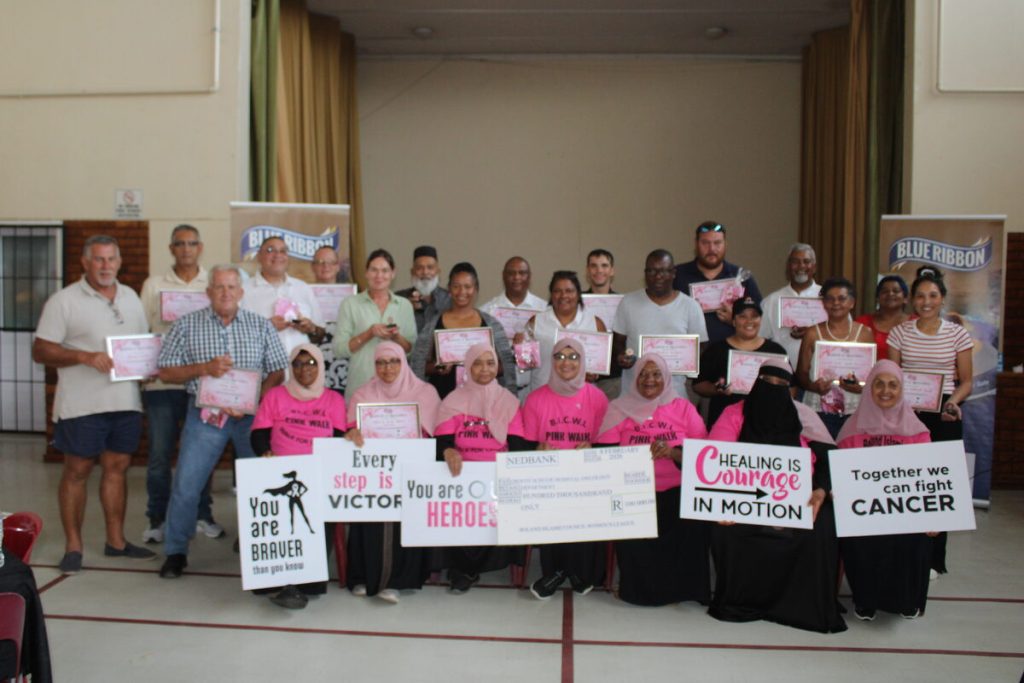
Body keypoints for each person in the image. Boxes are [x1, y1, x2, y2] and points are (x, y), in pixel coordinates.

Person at [33, 235, 157, 574]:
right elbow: (40, 350)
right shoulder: (64, 301)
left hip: (125, 401)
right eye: (99, 260)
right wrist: (83, 356)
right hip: (81, 405)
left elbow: (140, 344)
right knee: (77, 472)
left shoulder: (130, 296)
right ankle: (74, 547)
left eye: (111, 260)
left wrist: (146, 367)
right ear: (85, 263)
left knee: (117, 470)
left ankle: (116, 542)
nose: (106, 266)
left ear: (119, 262)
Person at [156, 265, 288, 579]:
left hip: (250, 417)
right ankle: (176, 551)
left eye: (231, 287)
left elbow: (278, 371)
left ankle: (261, 541)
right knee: (188, 483)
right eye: (219, 287)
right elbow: (165, 371)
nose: (226, 293)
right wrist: (204, 368)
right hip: (205, 416)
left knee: (261, 484)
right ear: (209, 292)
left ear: (241, 292)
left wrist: (255, 400)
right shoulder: (186, 325)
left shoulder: (260, 325)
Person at [707, 357, 846, 633]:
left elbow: (829, 459)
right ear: (755, 383)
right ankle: (741, 602)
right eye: (766, 382)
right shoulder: (734, 414)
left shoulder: (804, 416)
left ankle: (804, 603)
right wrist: (724, 503)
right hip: (744, 500)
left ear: (790, 390)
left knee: (823, 524)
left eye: (780, 385)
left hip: (800, 499)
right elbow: (715, 460)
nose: (772, 389)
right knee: (726, 529)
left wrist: (819, 490)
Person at [595, 353, 709, 606]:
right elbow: (604, 454)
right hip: (634, 491)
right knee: (629, 518)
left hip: (676, 488)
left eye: (656, 374)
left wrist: (673, 452)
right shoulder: (618, 408)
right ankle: (642, 590)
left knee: (693, 519)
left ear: (666, 377)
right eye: (643, 374)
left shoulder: (683, 408)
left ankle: (684, 590)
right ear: (634, 378)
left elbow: (703, 456)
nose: (649, 380)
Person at [138, 225, 222, 544]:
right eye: (180, 244)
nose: (186, 249)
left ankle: (202, 514)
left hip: (202, 386)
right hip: (161, 384)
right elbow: (141, 329)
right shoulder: (154, 284)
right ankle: (157, 518)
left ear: (200, 248)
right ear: (171, 248)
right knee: (160, 455)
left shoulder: (211, 283)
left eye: (191, 244)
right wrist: (140, 367)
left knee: (201, 454)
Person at [887, 267, 973, 575]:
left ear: (942, 299)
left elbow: (966, 381)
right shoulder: (900, 332)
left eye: (933, 296)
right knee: (906, 483)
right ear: (911, 300)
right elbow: (892, 378)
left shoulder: (957, 333)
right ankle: (904, 550)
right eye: (920, 296)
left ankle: (935, 559)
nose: (926, 301)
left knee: (938, 486)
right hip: (907, 416)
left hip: (944, 415)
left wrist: (952, 402)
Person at [248, 343, 348, 609]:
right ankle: (274, 578)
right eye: (299, 364)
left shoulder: (334, 400)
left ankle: (305, 582)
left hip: (319, 474)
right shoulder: (275, 397)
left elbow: (339, 439)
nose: (305, 369)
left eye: (311, 363)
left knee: (313, 520)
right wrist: (265, 453)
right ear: (291, 368)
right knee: (279, 519)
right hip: (279, 471)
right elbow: (258, 434)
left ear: (321, 365)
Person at [836, 360, 934, 620]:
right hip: (865, 513)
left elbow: (930, 479)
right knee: (862, 539)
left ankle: (907, 600)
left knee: (913, 537)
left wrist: (935, 517)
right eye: (879, 384)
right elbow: (841, 474)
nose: (885, 391)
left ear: (902, 389)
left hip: (906, 512)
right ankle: (865, 599)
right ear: (869, 389)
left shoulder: (918, 432)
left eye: (893, 385)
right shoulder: (850, 430)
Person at [344, 341, 441, 604]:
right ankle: (362, 576)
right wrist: (352, 433)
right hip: (373, 472)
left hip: (409, 470)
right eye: (381, 362)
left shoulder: (425, 392)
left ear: (404, 362)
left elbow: (428, 432)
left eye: (394, 361)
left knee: (401, 524)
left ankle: (397, 580)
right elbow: (352, 427)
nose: (388, 368)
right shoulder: (363, 394)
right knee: (368, 520)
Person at [521, 338, 610, 599]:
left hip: (588, 478)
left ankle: (569, 572)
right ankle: (562, 571)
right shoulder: (536, 399)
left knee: (583, 501)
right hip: (549, 479)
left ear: (583, 362)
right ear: (552, 361)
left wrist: (593, 451)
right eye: (560, 356)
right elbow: (526, 447)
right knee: (554, 501)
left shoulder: (598, 397)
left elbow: (608, 444)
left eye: (573, 357)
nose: (566, 363)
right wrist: (538, 452)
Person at [435, 343, 528, 593]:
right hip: (461, 475)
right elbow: (442, 441)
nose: (484, 369)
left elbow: (517, 445)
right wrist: (448, 450)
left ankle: (471, 568)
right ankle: (463, 568)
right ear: (467, 367)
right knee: (460, 507)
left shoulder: (508, 401)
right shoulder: (453, 400)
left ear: (497, 367)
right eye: (477, 363)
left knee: (497, 501)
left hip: (497, 477)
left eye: (489, 363)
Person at [411, 262, 516, 398]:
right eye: (456, 286)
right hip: (442, 402)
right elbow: (419, 365)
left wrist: (486, 367)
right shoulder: (433, 325)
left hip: (483, 402)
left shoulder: (491, 324)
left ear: (476, 288)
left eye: (467, 286)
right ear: (449, 288)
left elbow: (506, 366)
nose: (462, 292)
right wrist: (438, 368)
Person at [613, 249, 708, 398]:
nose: (658, 276)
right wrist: (622, 356)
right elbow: (618, 342)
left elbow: (701, 346)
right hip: (634, 394)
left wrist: (687, 362)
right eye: (652, 271)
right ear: (645, 273)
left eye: (664, 271)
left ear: (673, 273)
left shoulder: (690, 306)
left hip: (674, 392)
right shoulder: (628, 302)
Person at [795, 278, 875, 438]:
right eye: (830, 299)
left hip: (855, 409)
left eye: (842, 298)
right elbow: (801, 374)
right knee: (822, 456)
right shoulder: (812, 333)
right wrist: (813, 387)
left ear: (852, 302)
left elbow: (872, 376)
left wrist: (861, 388)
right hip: (820, 408)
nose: (836, 303)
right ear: (823, 303)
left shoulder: (865, 333)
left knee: (851, 457)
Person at [333, 249, 417, 400]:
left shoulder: (404, 305)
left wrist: (396, 337)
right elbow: (339, 349)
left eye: (385, 270)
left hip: (397, 389)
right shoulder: (350, 304)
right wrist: (369, 334)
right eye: (374, 270)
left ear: (393, 274)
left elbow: (411, 349)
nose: (379, 276)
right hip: (361, 385)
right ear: (366, 273)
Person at [693, 297, 788, 427]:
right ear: (733, 321)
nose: (749, 321)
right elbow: (698, 384)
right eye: (742, 316)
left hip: (766, 421)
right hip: (724, 421)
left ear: (760, 320)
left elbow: (791, 387)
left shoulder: (776, 351)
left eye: (754, 316)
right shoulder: (716, 350)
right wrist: (716, 389)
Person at [673, 221, 763, 343]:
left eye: (717, 243)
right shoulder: (677, 275)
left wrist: (736, 320)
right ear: (696, 244)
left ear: (726, 244)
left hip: (731, 354)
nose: (711, 249)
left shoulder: (741, 277)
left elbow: (761, 323)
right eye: (705, 243)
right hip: (689, 354)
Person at [520, 271, 607, 396]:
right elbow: (526, 364)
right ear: (551, 295)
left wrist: (595, 374)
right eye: (557, 291)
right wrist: (520, 349)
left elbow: (601, 368)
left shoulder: (595, 324)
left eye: (569, 291)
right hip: (543, 394)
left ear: (578, 295)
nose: (563, 295)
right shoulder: (536, 322)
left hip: (581, 397)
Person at [242, 235, 325, 358]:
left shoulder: (303, 288)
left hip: (300, 370)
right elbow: (233, 336)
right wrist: (266, 328)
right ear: (259, 256)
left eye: (283, 251)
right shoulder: (243, 290)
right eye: (270, 250)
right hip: (263, 370)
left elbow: (320, 334)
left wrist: (311, 328)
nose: (277, 255)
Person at [480, 256, 547, 395]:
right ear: (503, 276)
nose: (517, 277)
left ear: (529, 277)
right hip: (498, 389)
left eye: (522, 273)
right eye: (511, 273)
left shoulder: (544, 310)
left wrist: (524, 348)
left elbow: (548, 350)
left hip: (533, 390)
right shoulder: (487, 311)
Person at [759, 243, 821, 369]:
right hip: (782, 376)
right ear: (788, 267)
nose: (801, 266)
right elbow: (759, 341)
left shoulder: (828, 299)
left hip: (819, 378)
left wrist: (812, 333)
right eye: (795, 262)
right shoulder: (771, 301)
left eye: (806, 261)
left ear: (814, 267)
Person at [310, 245, 350, 393]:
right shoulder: (302, 293)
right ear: (313, 266)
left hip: (341, 365)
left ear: (338, 266)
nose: (325, 266)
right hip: (312, 363)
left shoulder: (352, 297)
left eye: (330, 262)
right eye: (320, 262)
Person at [395, 245, 451, 333]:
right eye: (419, 268)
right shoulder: (399, 299)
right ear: (412, 272)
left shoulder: (450, 299)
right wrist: (405, 310)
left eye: (430, 267)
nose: (425, 272)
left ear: (438, 271)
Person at [856, 275, 910, 360]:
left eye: (896, 291)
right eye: (885, 291)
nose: (890, 294)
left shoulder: (916, 323)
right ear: (877, 298)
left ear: (905, 298)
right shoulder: (862, 322)